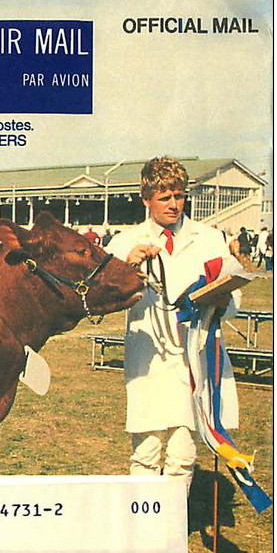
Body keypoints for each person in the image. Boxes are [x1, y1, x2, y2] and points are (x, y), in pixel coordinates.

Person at [105, 156, 239, 491]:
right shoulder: (124, 241)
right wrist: (125, 268)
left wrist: (222, 301)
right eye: (165, 197)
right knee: (146, 450)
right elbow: (103, 298)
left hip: (192, 356)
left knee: (183, 451)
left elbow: (235, 296)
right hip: (148, 356)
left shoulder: (209, 238)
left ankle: (172, 525)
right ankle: (144, 522)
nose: (174, 205)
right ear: (146, 198)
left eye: (179, 196)